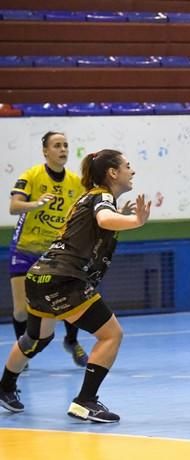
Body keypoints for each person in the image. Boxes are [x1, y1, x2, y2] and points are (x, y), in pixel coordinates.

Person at [0, 149, 151, 422]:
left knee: (37, 338)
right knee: (111, 335)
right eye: (128, 166)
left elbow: (101, 221)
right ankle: (85, 401)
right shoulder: (102, 196)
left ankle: (5, 387)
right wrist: (135, 221)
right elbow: (104, 219)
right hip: (63, 279)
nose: (133, 171)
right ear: (112, 173)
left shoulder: (88, 198)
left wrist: (121, 216)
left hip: (39, 276)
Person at [8, 131, 89, 367]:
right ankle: (22, 353)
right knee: (22, 311)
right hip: (25, 249)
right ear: (45, 151)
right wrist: (36, 204)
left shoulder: (75, 182)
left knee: (69, 300)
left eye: (65, 145)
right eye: (57, 145)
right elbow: (14, 207)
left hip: (55, 252)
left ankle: (72, 342)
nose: (62, 149)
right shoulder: (32, 176)